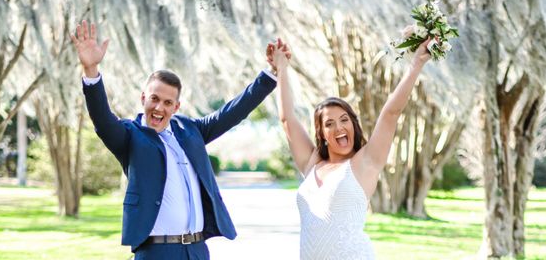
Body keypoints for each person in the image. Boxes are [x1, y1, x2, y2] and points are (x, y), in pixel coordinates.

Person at [70, 20, 277, 259]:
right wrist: (91, 72)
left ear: (176, 106)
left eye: (168, 103)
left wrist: (270, 74)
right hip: (157, 251)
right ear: (143, 98)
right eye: (154, 99)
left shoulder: (190, 131)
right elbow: (103, 119)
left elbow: (233, 112)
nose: (159, 108)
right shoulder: (129, 136)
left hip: (197, 249)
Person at [267, 37, 431, 259]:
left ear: (353, 125)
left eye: (344, 120)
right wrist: (282, 69)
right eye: (329, 124)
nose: (338, 128)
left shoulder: (364, 163)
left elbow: (391, 113)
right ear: (322, 135)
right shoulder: (311, 164)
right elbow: (287, 119)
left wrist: (415, 66)